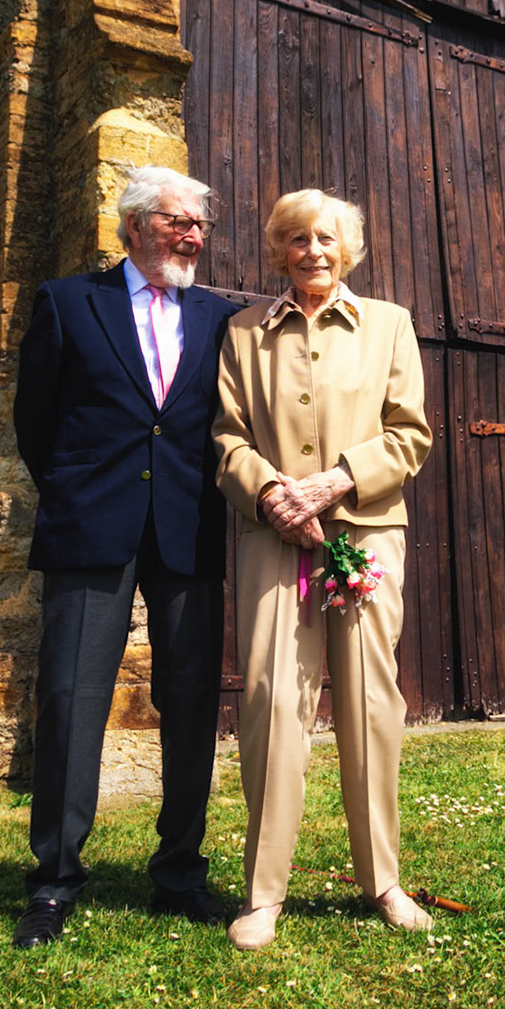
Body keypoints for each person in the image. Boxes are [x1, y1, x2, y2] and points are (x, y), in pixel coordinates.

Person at [10, 166, 242, 948]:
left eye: (201, 226)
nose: (194, 237)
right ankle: (53, 882)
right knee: (72, 702)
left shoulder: (221, 318)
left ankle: (179, 874)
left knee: (191, 707)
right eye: (179, 222)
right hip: (91, 528)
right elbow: (34, 419)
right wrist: (78, 493)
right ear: (136, 224)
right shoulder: (69, 302)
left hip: (188, 529)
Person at [212, 189, 434, 951]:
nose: (312, 250)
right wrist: (272, 491)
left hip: (365, 535)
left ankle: (383, 881)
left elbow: (410, 436)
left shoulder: (391, 328)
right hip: (274, 539)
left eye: (326, 238)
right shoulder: (242, 334)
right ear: (278, 250)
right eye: (296, 238)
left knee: (373, 702)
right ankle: (263, 894)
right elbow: (227, 438)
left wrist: (336, 480)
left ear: (350, 249)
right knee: (274, 700)